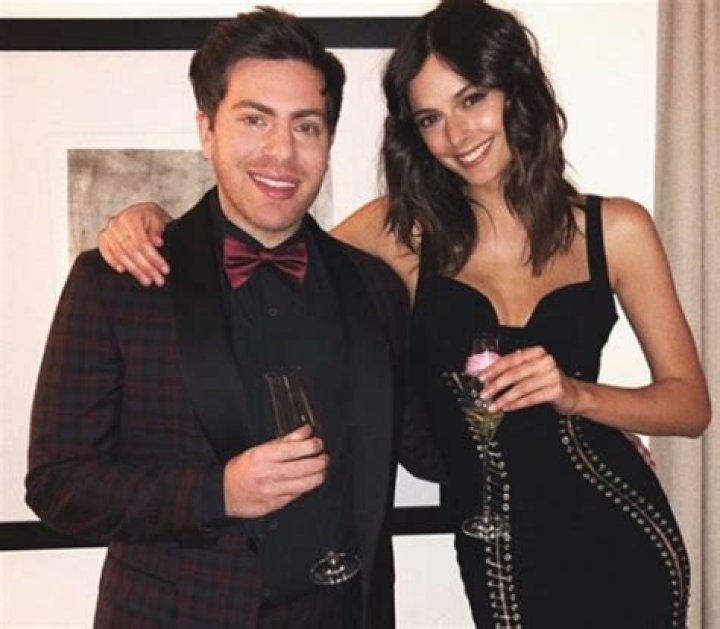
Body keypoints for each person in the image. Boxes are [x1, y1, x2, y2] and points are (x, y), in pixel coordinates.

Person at [98, 1, 711, 627]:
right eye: (430, 119)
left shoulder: (617, 229)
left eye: (473, 99)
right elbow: (266, 250)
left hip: (619, 523)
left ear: (516, 89)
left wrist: (580, 396)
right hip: (498, 547)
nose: (458, 135)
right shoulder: (401, 233)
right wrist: (155, 218)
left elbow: (690, 406)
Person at [26, 7, 443, 629]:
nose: (282, 152)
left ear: (328, 141)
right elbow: (58, 485)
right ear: (207, 129)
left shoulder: (374, 288)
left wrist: (554, 415)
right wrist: (216, 493)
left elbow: (426, 446)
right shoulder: (115, 283)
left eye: (306, 126)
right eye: (255, 119)